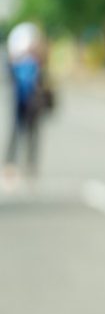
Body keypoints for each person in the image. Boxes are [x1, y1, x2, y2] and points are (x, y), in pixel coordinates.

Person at [4, 21, 49, 189]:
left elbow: (41, 77)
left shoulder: (36, 62)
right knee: (16, 131)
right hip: (19, 98)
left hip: (33, 99)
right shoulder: (18, 62)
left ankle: (30, 165)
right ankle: (10, 165)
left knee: (33, 131)